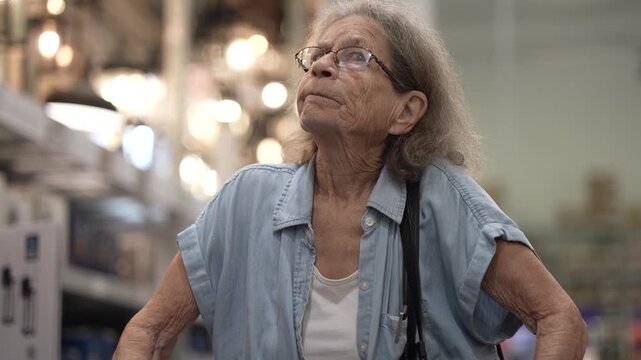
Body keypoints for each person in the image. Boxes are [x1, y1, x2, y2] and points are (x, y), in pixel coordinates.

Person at [114, 1, 587, 359]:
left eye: (355, 57)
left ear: (406, 111)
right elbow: (148, 332)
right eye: (318, 56)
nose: (321, 66)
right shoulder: (246, 202)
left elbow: (559, 318)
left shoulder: (443, 201)